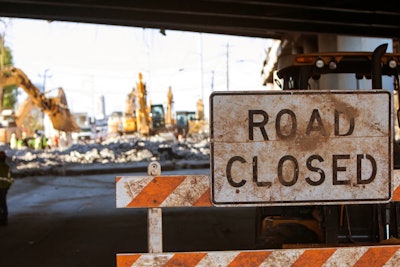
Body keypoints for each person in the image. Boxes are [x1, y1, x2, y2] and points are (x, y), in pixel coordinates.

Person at [0, 151, 13, 226]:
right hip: (4, 188)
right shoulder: (7, 168)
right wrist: (8, 186)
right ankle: (4, 219)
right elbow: (10, 179)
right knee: (3, 203)